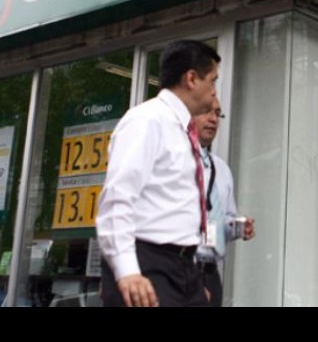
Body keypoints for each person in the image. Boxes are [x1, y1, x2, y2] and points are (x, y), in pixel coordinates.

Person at [96, 40, 220, 308]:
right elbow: (117, 199)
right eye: (212, 81)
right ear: (191, 79)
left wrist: (193, 279)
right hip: (147, 264)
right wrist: (127, 271)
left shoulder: (183, 130)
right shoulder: (147, 120)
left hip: (183, 267)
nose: (214, 92)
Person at [192, 98, 255, 307]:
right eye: (206, 112)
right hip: (181, 270)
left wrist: (238, 227)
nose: (213, 119)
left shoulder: (222, 169)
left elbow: (224, 218)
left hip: (211, 275)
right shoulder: (175, 162)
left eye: (217, 114)